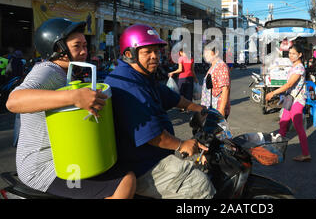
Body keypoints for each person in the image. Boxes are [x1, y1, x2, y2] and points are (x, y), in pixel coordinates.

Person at [6, 18, 136, 199]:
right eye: (77, 46)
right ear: (58, 49)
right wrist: (74, 97)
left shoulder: (66, 73)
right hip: (44, 167)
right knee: (126, 181)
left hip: (68, 155)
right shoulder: (48, 70)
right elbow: (13, 101)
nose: (84, 51)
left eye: (85, 45)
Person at [104, 24, 215, 199]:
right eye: (147, 52)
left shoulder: (142, 76)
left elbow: (171, 97)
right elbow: (153, 136)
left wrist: (200, 108)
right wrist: (181, 144)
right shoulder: (126, 85)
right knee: (199, 185)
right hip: (143, 165)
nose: (155, 56)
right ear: (129, 54)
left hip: (153, 156)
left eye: (157, 51)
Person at [265, 42, 311, 162]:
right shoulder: (293, 66)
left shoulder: (300, 68)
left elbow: (290, 84)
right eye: (289, 53)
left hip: (297, 100)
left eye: (293, 54)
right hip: (289, 99)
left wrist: (273, 93)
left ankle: (306, 154)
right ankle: (278, 150)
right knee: (283, 123)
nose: (291, 56)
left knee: (298, 126)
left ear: (300, 54)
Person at [201, 47, 231, 120]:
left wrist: (221, 110)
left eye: (207, 52)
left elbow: (225, 88)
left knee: (218, 131)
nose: (205, 55)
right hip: (211, 109)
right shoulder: (213, 66)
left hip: (217, 109)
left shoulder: (221, 66)